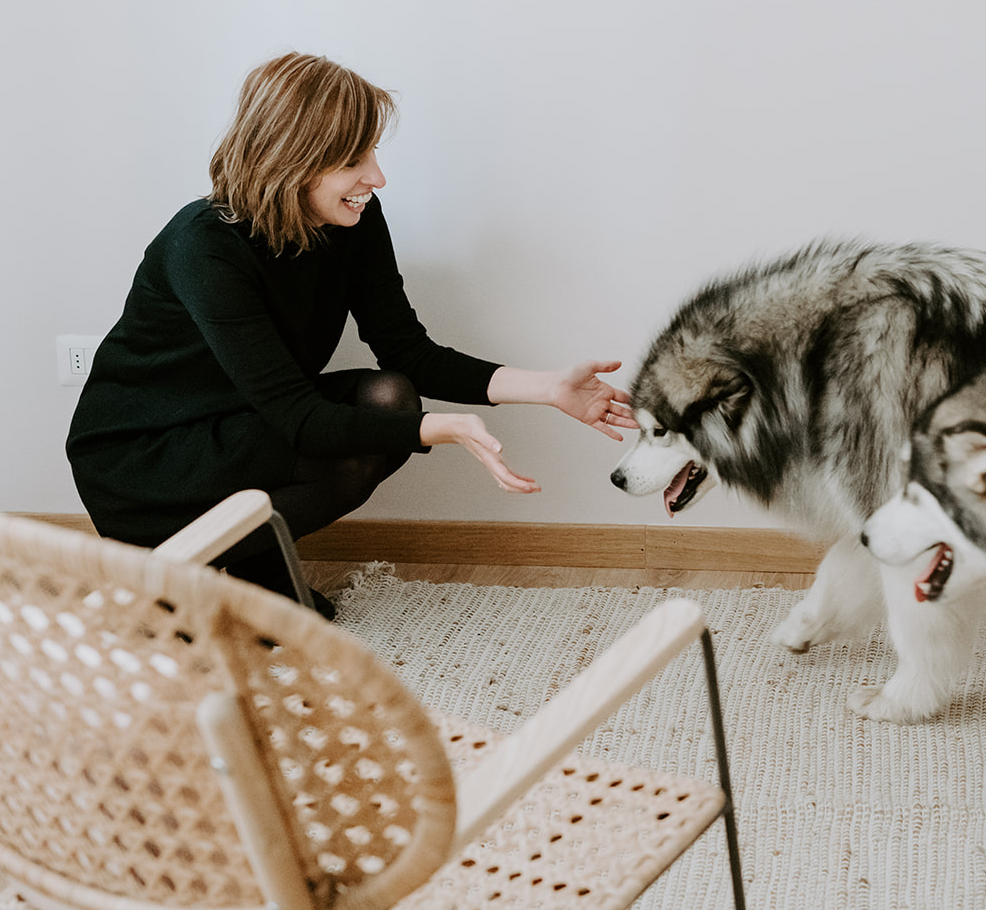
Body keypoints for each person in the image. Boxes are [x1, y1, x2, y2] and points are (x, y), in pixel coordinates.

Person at [66, 52, 635, 616]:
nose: (376, 178)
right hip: (148, 454)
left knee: (389, 393)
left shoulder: (354, 220)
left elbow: (409, 352)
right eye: (351, 160)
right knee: (373, 431)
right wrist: (441, 428)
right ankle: (165, 572)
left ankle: (239, 567)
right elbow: (300, 420)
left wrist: (550, 388)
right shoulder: (204, 248)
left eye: (373, 153)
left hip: (244, 427)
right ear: (289, 161)